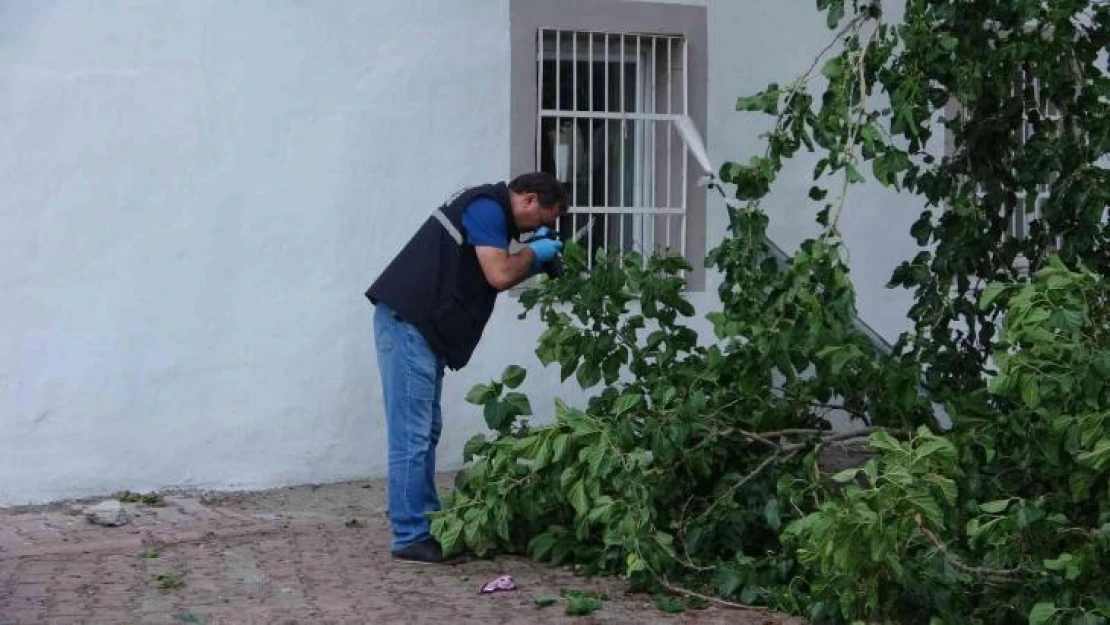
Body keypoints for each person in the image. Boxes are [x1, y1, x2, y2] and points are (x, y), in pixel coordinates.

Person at [364, 172, 568, 563]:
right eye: (543, 220)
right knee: (413, 434)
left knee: (424, 431)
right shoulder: (486, 208)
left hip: (420, 327)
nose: (540, 229)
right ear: (527, 200)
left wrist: (537, 264)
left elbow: (498, 271)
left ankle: (422, 525)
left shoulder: (489, 212)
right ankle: (410, 536)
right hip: (409, 324)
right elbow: (499, 273)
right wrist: (534, 256)